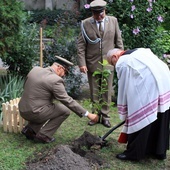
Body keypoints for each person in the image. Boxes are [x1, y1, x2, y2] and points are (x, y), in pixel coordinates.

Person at [106, 48, 170, 161]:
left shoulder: (123, 62)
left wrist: (124, 108)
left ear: (115, 57)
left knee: (141, 116)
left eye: (112, 63)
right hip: (164, 82)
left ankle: (134, 154)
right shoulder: (141, 51)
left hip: (150, 86)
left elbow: (124, 87)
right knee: (160, 115)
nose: (114, 66)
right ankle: (158, 151)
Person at [19, 56, 98, 144]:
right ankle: (44, 134)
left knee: (47, 108)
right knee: (64, 111)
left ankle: (30, 130)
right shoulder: (55, 80)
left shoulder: (35, 69)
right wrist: (88, 114)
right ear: (60, 68)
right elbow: (67, 100)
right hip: (34, 112)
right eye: (65, 72)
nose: (64, 75)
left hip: (22, 109)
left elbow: (26, 86)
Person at [77, 0, 124, 128]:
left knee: (107, 91)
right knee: (95, 91)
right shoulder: (85, 24)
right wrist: (82, 63)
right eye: (96, 14)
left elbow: (119, 43)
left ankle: (106, 117)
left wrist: (121, 59)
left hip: (109, 63)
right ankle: (95, 116)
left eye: (101, 13)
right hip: (92, 63)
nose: (99, 16)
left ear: (105, 11)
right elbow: (81, 46)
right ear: (92, 13)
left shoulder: (113, 21)